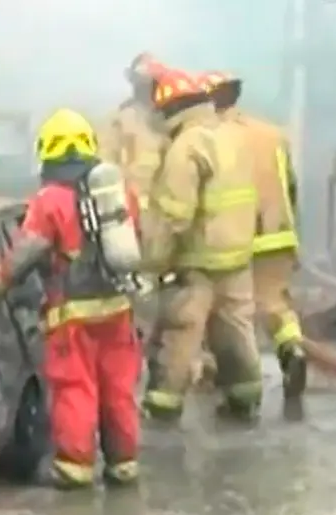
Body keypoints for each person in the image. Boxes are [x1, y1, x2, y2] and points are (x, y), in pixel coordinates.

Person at [0, 109, 143, 488]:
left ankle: (75, 466)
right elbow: (137, 243)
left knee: (76, 387)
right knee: (118, 388)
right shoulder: (121, 194)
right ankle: (124, 463)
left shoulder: (49, 200)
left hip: (72, 316)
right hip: (118, 310)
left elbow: (23, 255)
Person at [140, 70, 263, 422]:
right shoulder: (230, 136)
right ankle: (245, 395)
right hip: (237, 255)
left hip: (198, 259)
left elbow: (173, 216)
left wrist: (154, 262)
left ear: (172, 109)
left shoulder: (186, 146)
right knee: (235, 327)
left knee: (181, 329)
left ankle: (163, 403)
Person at [199, 70, 307, 400]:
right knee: (275, 304)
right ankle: (293, 349)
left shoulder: (210, 136)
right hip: (279, 232)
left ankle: (230, 376)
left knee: (227, 309)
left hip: (236, 235)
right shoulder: (273, 134)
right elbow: (291, 183)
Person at [98, 52, 170, 211]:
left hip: (164, 207)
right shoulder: (119, 120)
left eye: (152, 83)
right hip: (131, 207)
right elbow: (106, 165)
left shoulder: (170, 120)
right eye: (144, 83)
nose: (148, 89)